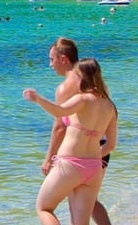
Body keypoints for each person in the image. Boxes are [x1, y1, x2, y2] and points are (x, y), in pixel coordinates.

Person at [24, 57, 118, 225]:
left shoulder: (82, 99)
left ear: (81, 77)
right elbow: (111, 144)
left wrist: (38, 99)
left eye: (75, 75)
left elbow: (59, 111)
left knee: (44, 209)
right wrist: (92, 159)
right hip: (93, 168)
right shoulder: (109, 106)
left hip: (70, 165)